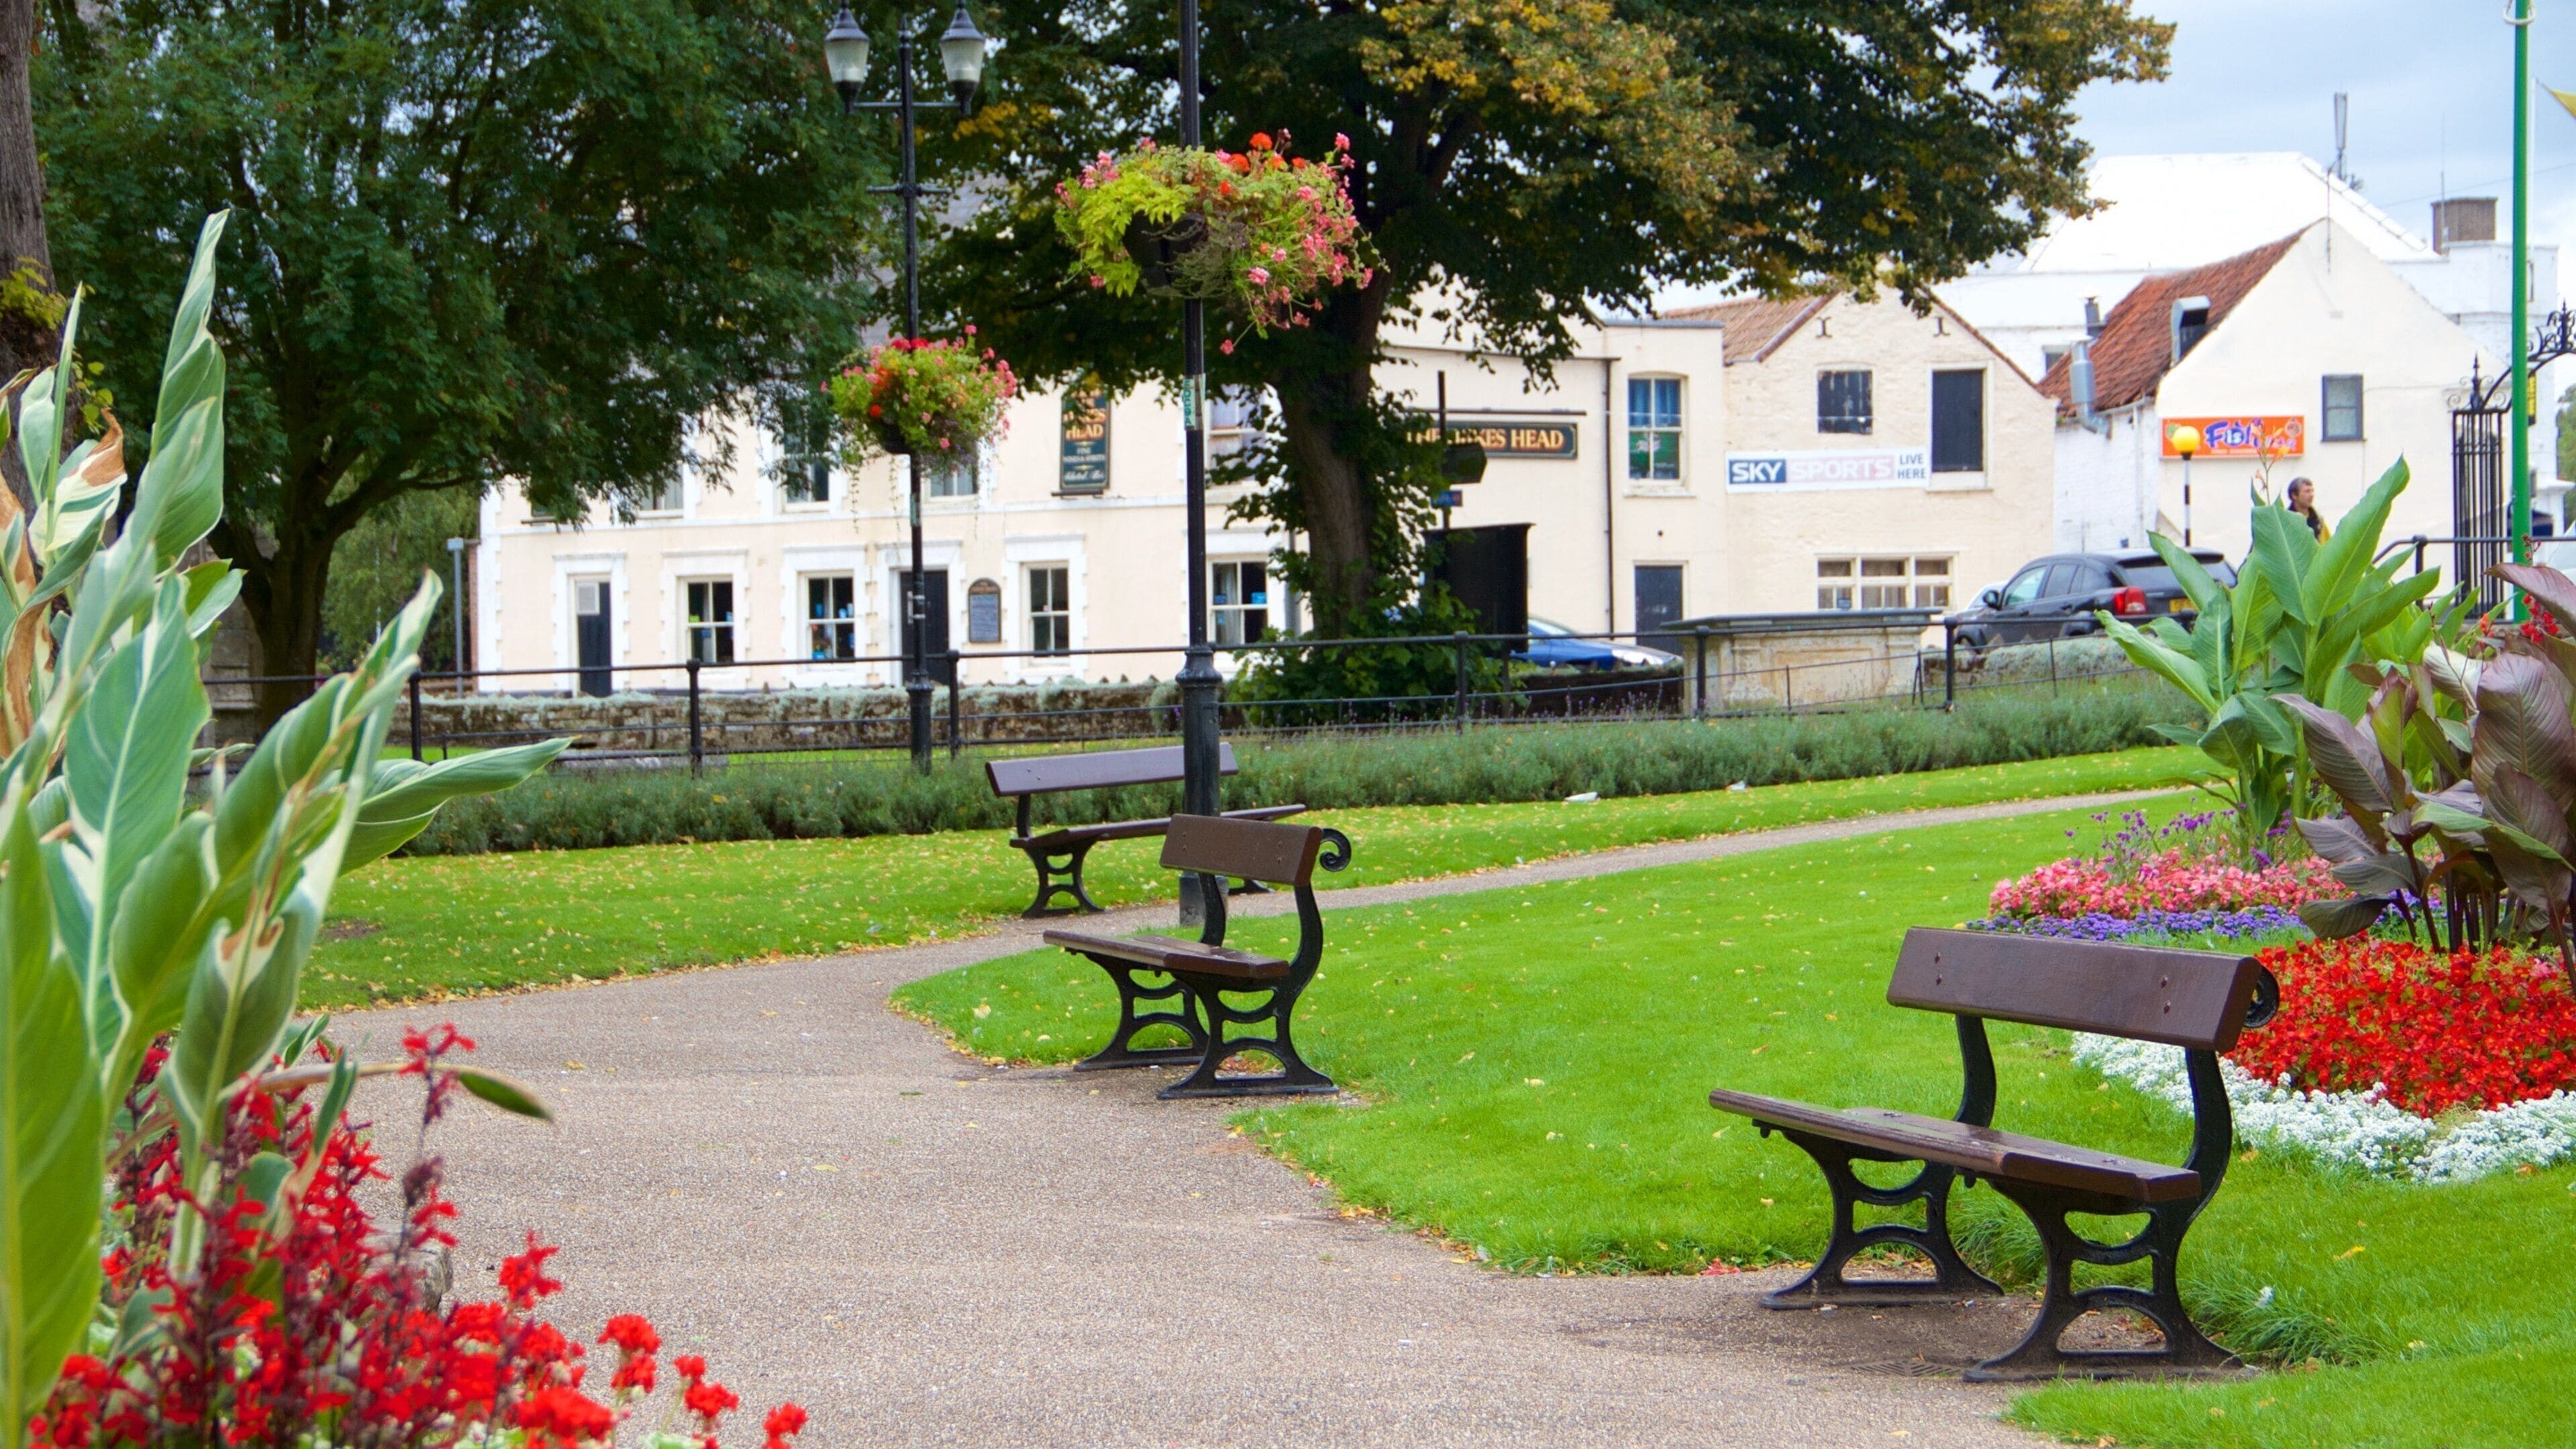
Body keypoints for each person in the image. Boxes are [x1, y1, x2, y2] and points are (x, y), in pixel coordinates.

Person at [2286, 476, 2330, 541]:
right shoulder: (2286, 520)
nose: (2312, 495)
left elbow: (2328, 543)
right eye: (2307, 491)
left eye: (2312, 491)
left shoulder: (2318, 519)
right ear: (2294, 496)